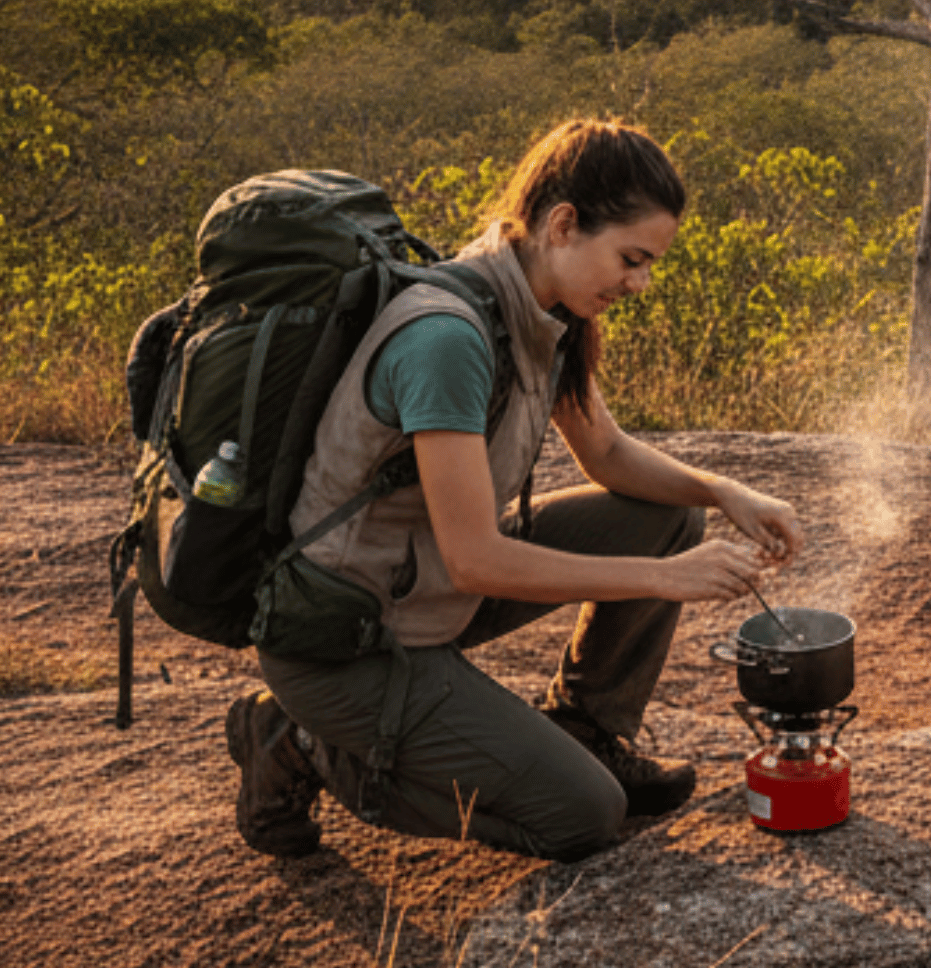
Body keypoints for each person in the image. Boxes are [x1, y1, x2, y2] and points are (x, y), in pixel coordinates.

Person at [225, 118, 803, 862]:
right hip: (351, 638)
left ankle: (587, 731)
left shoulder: (536, 310)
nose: (641, 283)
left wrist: (724, 492)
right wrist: (666, 580)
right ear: (564, 224)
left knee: (668, 518)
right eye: (631, 259)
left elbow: (607, 453)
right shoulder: (449, 338)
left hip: (425, 590)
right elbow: (476, 558)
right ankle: (300, 739)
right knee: (585, 814)